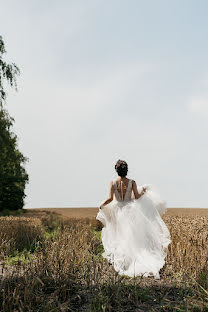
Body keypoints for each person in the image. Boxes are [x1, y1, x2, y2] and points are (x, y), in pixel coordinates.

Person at [96, 159, 171, 279]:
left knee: (120, 235)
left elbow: (110, 199)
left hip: (118, 210)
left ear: (116, 170)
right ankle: (134, 259)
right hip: (130, 210)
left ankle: (124, 259)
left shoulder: (113, 183)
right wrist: (143, 192)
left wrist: (102, 205)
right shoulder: (132, 182)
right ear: (126, 170)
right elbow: (136, 197)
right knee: (132, 235)